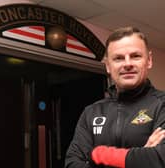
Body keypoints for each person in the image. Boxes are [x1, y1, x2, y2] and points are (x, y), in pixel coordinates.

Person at [64, 26, 165, 168]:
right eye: (118, 58)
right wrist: (142, 156)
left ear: (149, 61)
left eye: (135, 56)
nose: (127, 64)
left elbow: (160, 159)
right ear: (107, 66)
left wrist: (98, 155)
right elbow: (72, 164)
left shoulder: (162, 105)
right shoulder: (91, 112)